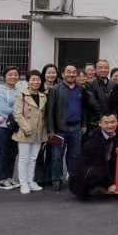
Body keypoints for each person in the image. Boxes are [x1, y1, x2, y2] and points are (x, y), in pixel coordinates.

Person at [47, 64, 84, 192]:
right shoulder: (55, 89)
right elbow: (50, 112)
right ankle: (56, 179)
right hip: (59, 130)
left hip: (76, 128)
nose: (71, 74)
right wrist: (51, 130)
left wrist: (83, 124)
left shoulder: (80, 89)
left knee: (74, 155)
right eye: (68, 72)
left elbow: (84, 108)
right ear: (63, 74)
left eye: (74, 72)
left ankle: (73, 178)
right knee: (57, 156)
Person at [12, 70, 47, 194]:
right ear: (28, 81)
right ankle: (23, 183)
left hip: (39, 132)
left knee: (33, 158)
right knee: (24, 158)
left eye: (38, 79)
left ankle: (31, 181)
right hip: (25, 132)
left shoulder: (43, 96)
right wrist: (26, 128)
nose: (36, 82)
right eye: (33, 79)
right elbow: (17, 114)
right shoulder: (21, 95)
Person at [70, 113, 118, 199]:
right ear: (100, 124)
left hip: (99, 168)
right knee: (98, 169)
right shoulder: (93, 140)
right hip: (83, 180)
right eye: (106, 123)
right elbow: (101, 164)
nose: (110, 125)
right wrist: (110, 184)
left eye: (112, 122)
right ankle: (96, 187)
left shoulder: (115, 134)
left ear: (117, 122)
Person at [0, 66, 20, 190]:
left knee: (12, 153)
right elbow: (3, 109)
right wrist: (18, 113)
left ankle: (9, 177)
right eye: (10, 74)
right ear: (5, 77)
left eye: (15, 74)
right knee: (2, 153)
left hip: (15, 126)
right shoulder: (0, 90)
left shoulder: (18, 90)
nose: (13, 77)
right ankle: (2, 179)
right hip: (3, 126)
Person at [84, 59, 113, 132]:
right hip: (95, 124)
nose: (103, 70)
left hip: (111, 123)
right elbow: (93, 104)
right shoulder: (89, 85)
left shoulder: (113, 84)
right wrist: (105, 118)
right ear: (95, 70)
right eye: (100, 67)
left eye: (106, 67)